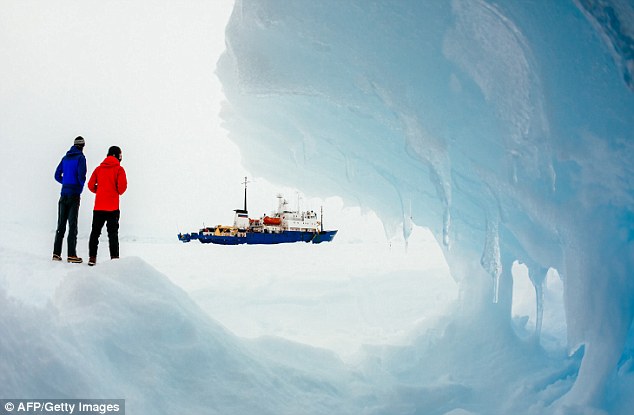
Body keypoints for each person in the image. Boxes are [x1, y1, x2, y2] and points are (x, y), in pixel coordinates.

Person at [87, 146, 127, 266]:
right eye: (120, 155)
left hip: (98, 207)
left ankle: (92, 258)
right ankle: (114, 259)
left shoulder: (99, 169)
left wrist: (99, 191)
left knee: (95, 233)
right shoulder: (119, 170)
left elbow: (90, 185)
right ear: (116, 155)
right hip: (113, 208)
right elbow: (122, 189)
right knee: (113, 234)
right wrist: (113, 191)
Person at [53, 136, 87, 263]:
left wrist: (65, 182)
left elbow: (56, 175)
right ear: (83, 146)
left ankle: (56, 254)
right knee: (72, 225)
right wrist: (79, 188)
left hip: (63, 194)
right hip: (74, 194)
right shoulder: (81, 158)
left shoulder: (65, 158)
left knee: (61, 225)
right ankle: (72, 255)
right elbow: (81, 176)